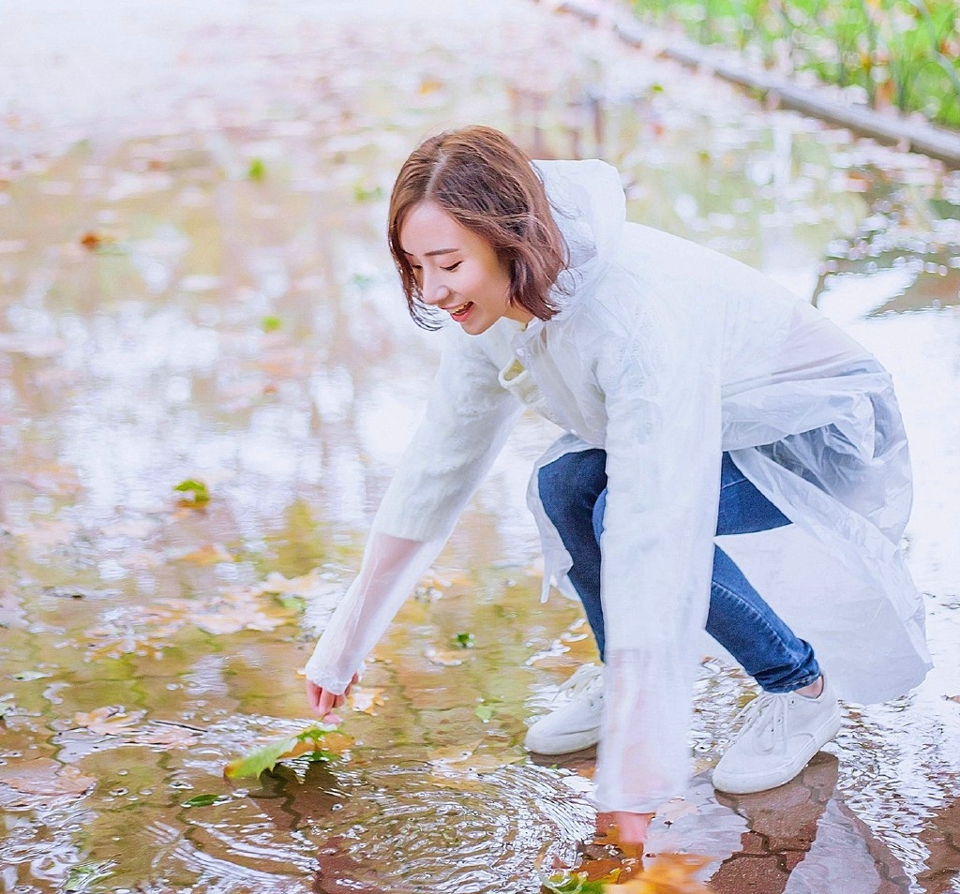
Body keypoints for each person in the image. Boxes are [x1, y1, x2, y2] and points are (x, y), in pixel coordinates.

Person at [304, 125, 931, 846]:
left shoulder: (630, 318)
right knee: (563, 486)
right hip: (718, 416)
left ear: (512, 240)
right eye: (415, 266)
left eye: (447, 263)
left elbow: (656, 528)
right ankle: (614, 678)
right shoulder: (490, 310)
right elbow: (435, 469)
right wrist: (345, 641)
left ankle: (800, 687)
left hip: (809, 429)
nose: (431, 290)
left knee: (616, 520)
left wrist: (635, 773)